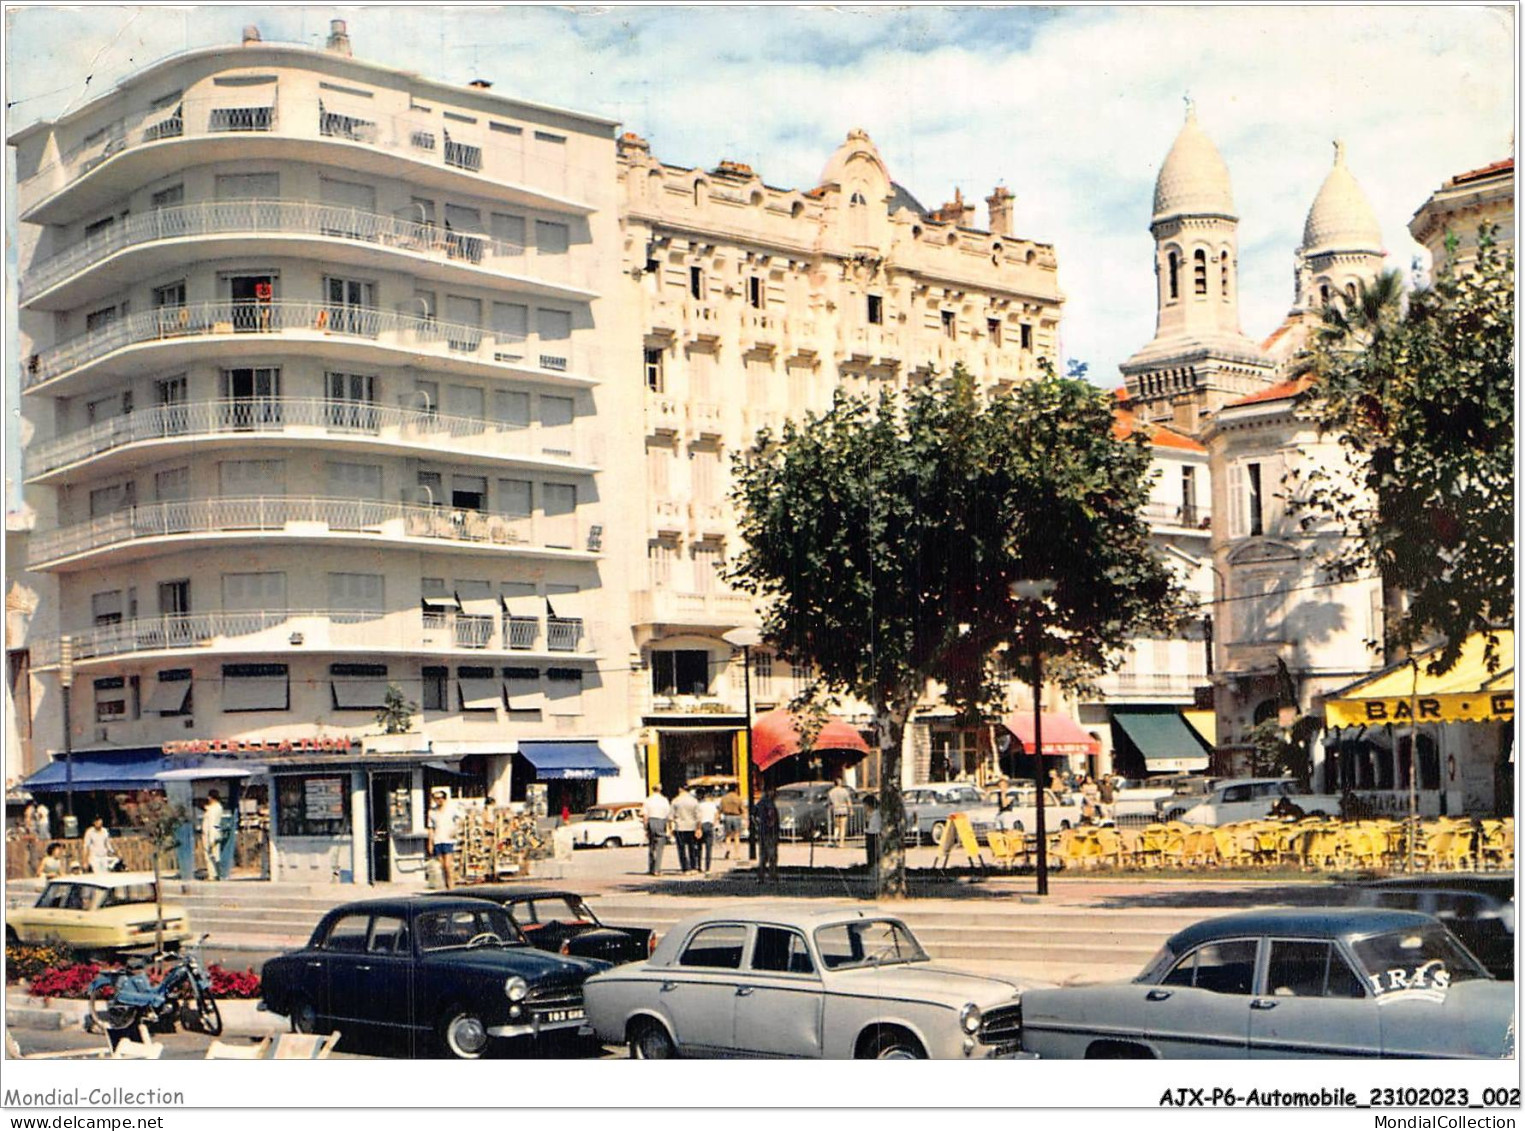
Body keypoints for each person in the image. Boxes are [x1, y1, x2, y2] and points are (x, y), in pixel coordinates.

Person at [426, 791, 457, 889]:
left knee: (448, 865)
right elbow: (431, 828)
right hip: (438, 840)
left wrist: (455, 831)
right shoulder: (432, 812)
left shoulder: (451, 810)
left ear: (444, 799)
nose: (438, 800)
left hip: (448, 840)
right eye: (436, 798)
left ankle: (452, 886)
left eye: (440, 798)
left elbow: (461, 820)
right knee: (442, 866)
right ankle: (446, 886)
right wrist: (430, 843)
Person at [670, 785, 700, 874]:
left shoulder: (675, 801)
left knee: (681, 848)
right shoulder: (694, 801)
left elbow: (671, 816)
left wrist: (670, 828)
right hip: (692, 826)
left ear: (680, 789)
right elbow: (698, 816)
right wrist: (698, 828)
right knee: (692, 848)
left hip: (680, 827)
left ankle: (685, 868)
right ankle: (694, 867)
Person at [642, 787, 671, 875]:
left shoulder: (648, 800)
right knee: (659, 847)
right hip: (661, 821)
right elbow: (668, 814)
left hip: (651, 821)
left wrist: (645, 827)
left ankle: (651, 867)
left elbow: (645, 815)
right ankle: (657, 869)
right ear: (660, 790)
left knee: (651, 846)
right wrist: (669, 827)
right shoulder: (664, 800)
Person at [754, 787, 780, 884]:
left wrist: (758, 825)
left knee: (762, 855)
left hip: (762, 831)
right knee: (772, 855)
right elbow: (771, 815)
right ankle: (772, 876)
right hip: (770, 832)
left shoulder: (760, 802)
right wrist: (771, 825)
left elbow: (753, 815)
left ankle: (760, 877)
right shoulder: (769, 803)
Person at [202, 791, 227, 881]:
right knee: (214, 855)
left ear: (210, 797)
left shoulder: (213, 809)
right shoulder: (217, 807)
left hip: (211, 834)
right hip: (215, 832)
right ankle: (216, 873)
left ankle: (213, 874)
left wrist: (211, 838)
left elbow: (212, 823)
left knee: (211, 856)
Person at [718, 786, 745, 860]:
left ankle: (728, 850)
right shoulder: (738, 798)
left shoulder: (724, 798)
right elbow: (742, 809)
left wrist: (717, 818)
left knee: (728, 836)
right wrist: (745, 819)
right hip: (736, 816)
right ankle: (737, 854)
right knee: (736, 836)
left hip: (727, 817)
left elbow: (720, 809)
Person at [696, 792, 718, 873]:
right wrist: (714, 823)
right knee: (709, 848)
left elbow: (698, 817)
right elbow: (716, 815)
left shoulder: (700, 805)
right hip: (710, 825)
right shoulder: (713, 805)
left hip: (701, 825)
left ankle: (698, 866)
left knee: (699, 848)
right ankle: (707, 867)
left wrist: (698, 828)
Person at [827, 779, 853, 847]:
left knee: (836, 826)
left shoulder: (831, 792)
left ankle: (835, 837)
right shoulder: (844, 791)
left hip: (835, 810)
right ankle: (841, 843)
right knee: (843, 827)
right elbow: (848, 801)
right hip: (843, 809)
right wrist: (851, 810)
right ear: (840, 783)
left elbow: (829, 802)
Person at [863, 794, 881, 872]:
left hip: (874, 835)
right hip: (872, 834)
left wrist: (867, 831)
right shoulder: (871, 814)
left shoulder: (876, 814)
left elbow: (874, 827)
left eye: (865, 805)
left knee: (874, 854)